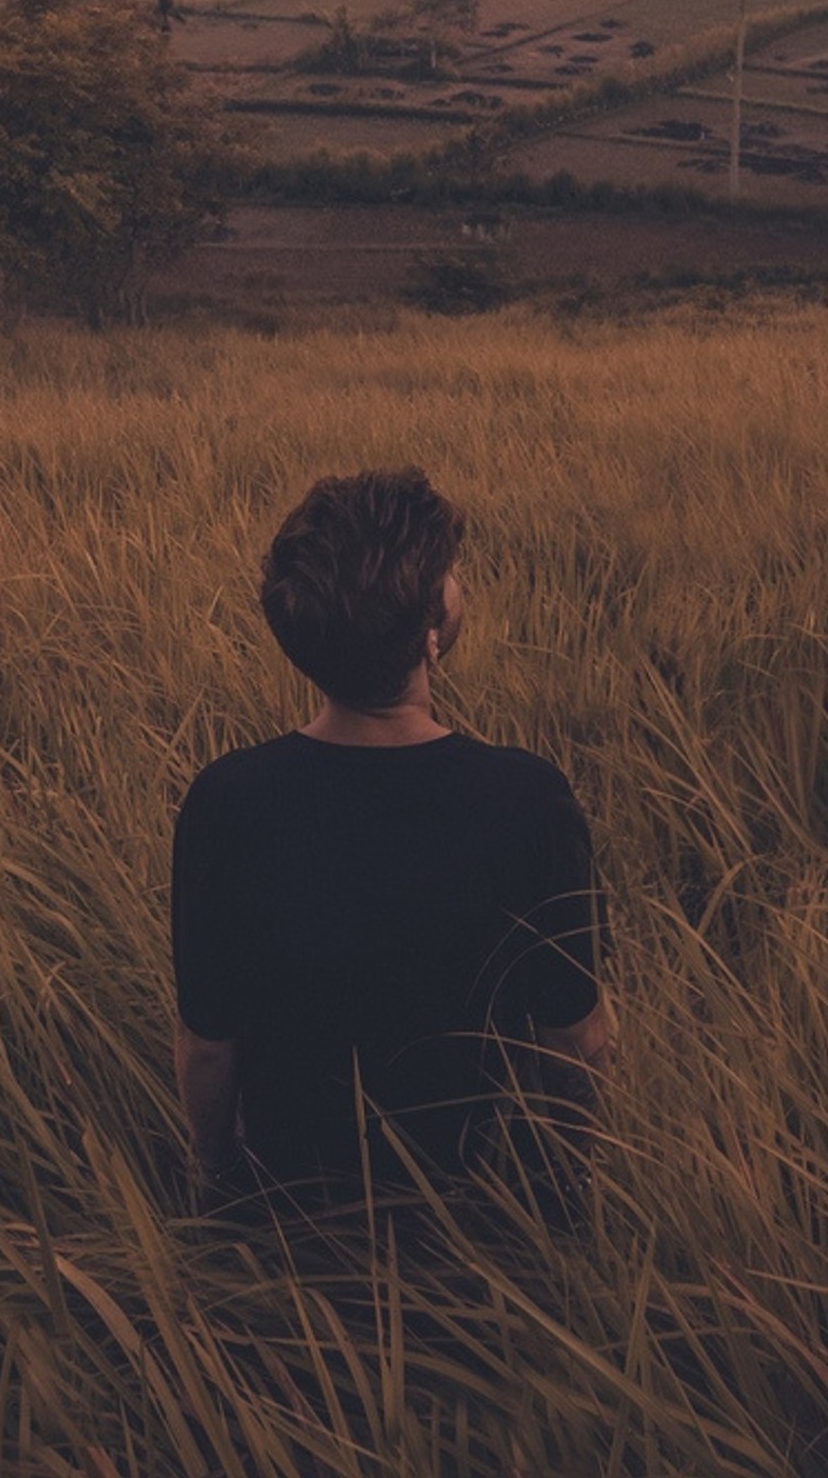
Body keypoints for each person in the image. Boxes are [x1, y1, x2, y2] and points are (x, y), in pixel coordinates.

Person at [171, 467, 612, 1213]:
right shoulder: (526, 801)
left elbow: (209, 1047)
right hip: (486, 1221)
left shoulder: (228, 803)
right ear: (431, 634)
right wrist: (567, 1194)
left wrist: (215, 1185)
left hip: (292, 1218)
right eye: (451, 576)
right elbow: (577, 1044)